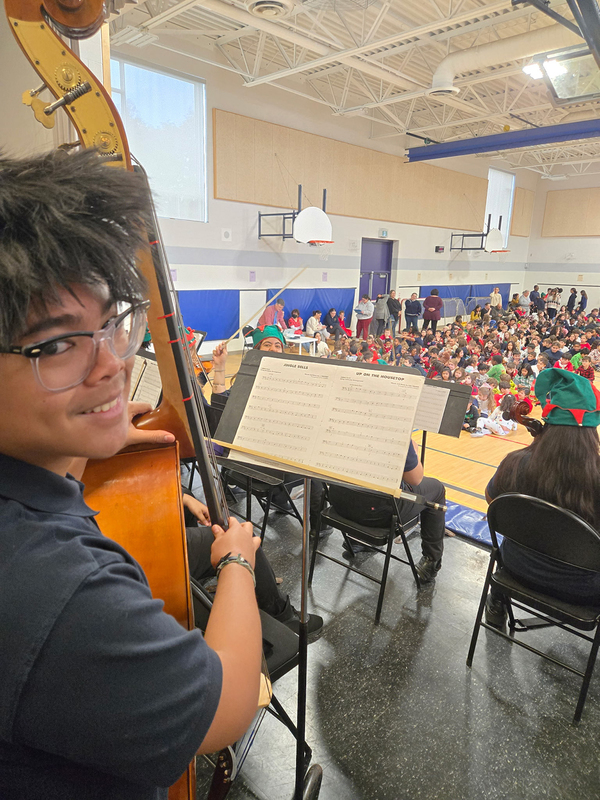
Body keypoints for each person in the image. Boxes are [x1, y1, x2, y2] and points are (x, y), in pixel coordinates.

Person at [0, 150, 263, 797]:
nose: (113, 365)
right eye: (59, 344)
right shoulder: (63, 592)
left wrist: (112, 433)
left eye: (115, 323)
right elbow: (228, 705)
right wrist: (238, 563)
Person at [485, 369, 600, 626]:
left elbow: (495, 505)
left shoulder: (515, 463)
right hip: (584, 591)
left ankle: (496, 604)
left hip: (516, 568)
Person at [327, 440, 446, 583]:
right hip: (378, 515)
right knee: (437, 489)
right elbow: (415, 479)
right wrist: (413, 449)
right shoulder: (397, 431)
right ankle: (431, 562)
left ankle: (356, 539)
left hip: (338, 502)